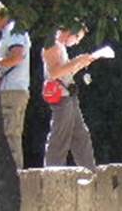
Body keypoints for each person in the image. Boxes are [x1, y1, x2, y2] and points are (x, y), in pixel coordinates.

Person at [41, 27, 103, 168]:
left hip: (69, 95)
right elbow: (54, 73)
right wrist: (77, 60)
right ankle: (53, 172)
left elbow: (66, 73)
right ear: (69, 32)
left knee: (81, 135)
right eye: (77, 38)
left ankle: (89, 172)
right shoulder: (52, 44)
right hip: (61, 97)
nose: (77, 42)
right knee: (60, 136)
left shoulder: (61, 46)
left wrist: (81, 63)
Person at [0, 2, 31, 168]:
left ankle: (14, 175)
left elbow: (17, 57)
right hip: (13, 90)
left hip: (12, 91)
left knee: (10, 136)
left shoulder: (13, 31)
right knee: (10, 134)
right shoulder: (10, 32)